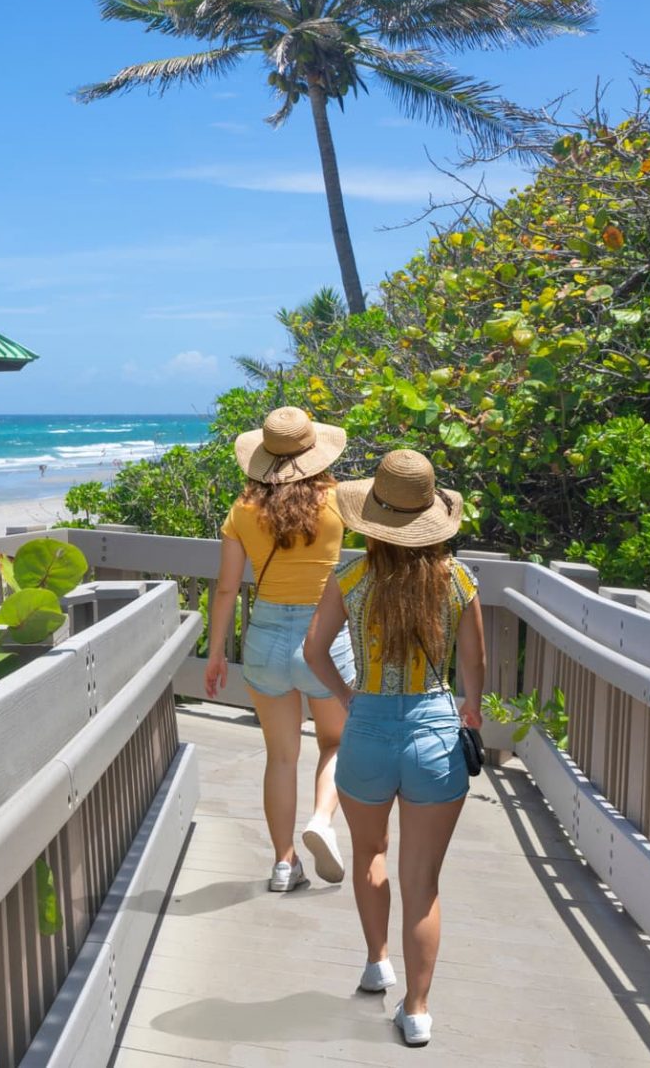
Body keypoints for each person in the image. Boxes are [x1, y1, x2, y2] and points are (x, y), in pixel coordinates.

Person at [304, 448, 485, 1048]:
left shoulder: (352, 578)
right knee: (424, 882)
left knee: (370, 854)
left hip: (369, 731)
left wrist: (349, 696)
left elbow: (313, 650)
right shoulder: (458, 578)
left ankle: (376, 959)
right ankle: (418, 1009)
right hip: (436, 732)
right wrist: (471, 711)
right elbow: (475, 667)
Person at [203, 406, 355, 894]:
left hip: (266, 635)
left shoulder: (242, 512)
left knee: (281, 757)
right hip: (325, 638)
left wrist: (216, 653)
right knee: (336, 742)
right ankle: (322, 820)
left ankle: (284, 863)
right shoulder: (341, 501)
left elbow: (226, 589)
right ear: (315, 452)